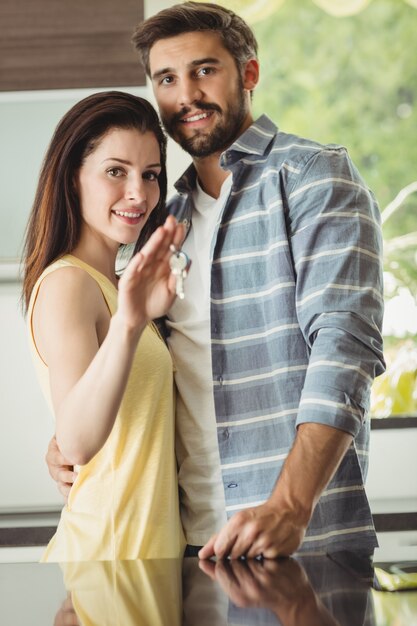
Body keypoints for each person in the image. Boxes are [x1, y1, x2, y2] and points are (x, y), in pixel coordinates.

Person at [47, 2, 385, 560]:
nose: (188, 94)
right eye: (167, 79)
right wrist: (67, 435)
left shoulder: (314, 178)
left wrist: (290, 505)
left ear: (248, 74)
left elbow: (345, 350)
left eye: (205, 70)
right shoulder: (160, 215)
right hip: (180, 543)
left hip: (296, 541)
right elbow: (143, 368)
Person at [22, 90, 186, 561]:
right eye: (116, 171)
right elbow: (76, 441)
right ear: (72, 177)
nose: (139, 193)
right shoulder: (69, 283)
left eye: (150, 175)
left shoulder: (121, 286)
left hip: (147, 556)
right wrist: (132, 322)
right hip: (108, 556)